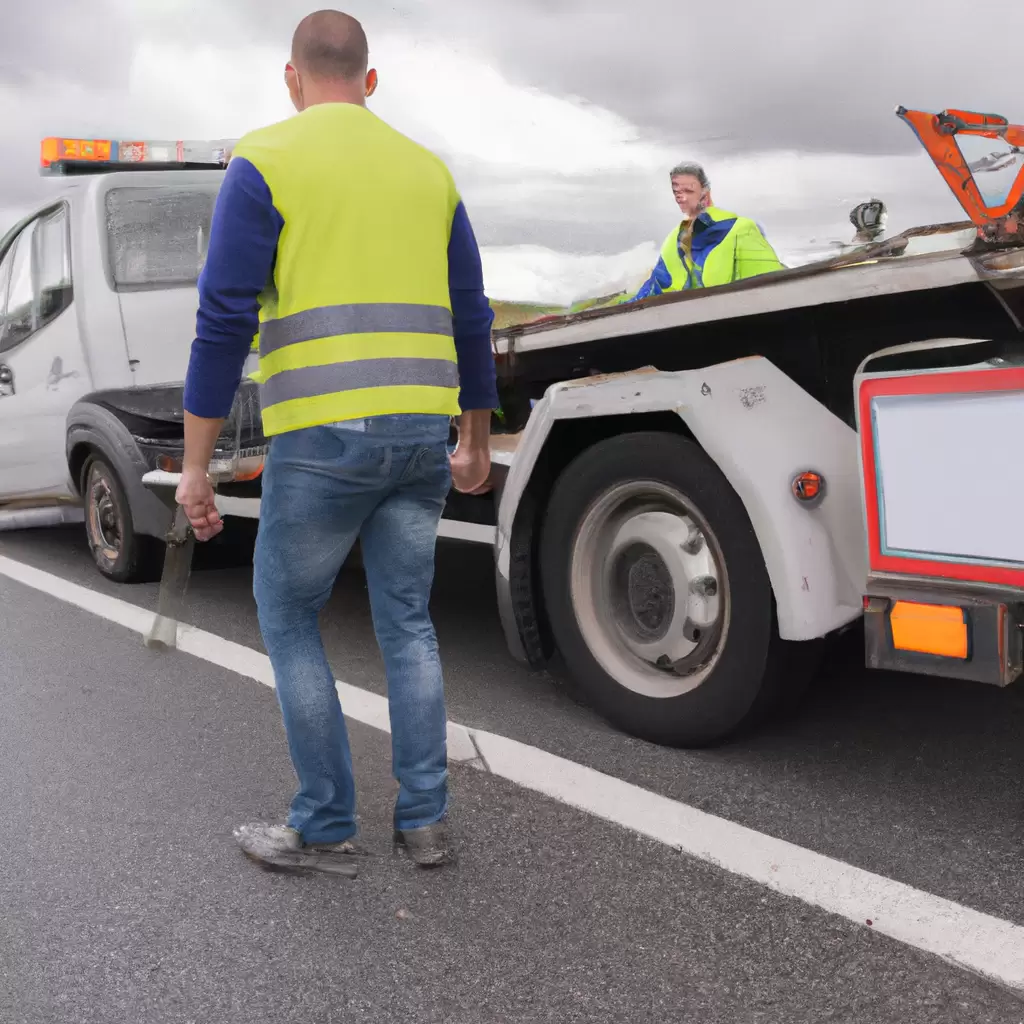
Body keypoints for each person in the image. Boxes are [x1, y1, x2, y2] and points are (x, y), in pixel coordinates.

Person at [175, 9, 497, 876]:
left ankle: (323, 825)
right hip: (422, 437)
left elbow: (222, 322)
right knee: (407, 621)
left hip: (321, 438)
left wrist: (195, 467)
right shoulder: (429, 173)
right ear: (370, 80)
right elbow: (472, 317)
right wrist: (473, 439)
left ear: (292, 78)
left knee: (288, 614)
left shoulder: (266, 160)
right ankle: (424, 824)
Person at [626, 161, 784, 301]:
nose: (682, 198)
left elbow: (772, 289)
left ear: (705, 193)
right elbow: (653, 288)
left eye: (688, 191)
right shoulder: (673, 240)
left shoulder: (741, 229)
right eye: (677, 193)